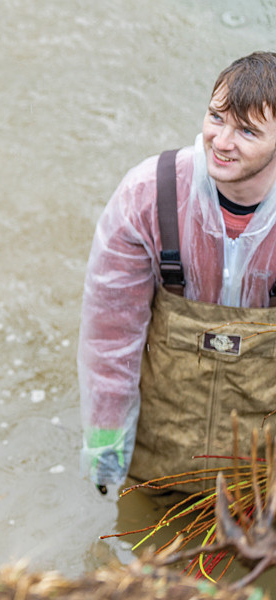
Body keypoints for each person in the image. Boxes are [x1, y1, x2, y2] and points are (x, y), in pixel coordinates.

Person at [79, 51, 276, 496]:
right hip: (159, 456)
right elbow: (111, 337)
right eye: (216, 117)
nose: (222, 141)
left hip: (263, 471)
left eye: (247, 130)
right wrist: (105, 442)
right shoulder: (150, 195)